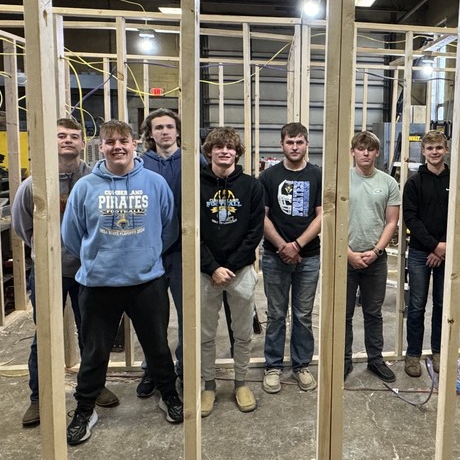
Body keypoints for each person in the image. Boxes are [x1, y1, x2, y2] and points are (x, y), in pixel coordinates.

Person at [61, 120, 182, 445]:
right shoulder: (86, 187)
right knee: (95, 351)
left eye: (123, 141)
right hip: (99, 284)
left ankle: (169, 395)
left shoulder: (154, 184)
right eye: (110, 141)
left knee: (157, 345)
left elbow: (168, 226)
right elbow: (71, 236)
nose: (117, 147)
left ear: (134, 144)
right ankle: (85, 409)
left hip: (147, 282)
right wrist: (99, 258)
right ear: (100, 147)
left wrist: (147, 254)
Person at [14, 117, 119, 426]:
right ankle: (39, 397)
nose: (68, 141)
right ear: (52, 142)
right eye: (61, 136)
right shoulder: (34, 184)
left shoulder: (96, 179)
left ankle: (93, 387)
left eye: (74, 136)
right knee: (44, 336)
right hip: (49, 272)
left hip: (89, 271)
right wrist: (48, 254)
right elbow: (23, 228)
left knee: (92, 333)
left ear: (83, 144)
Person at [199, 127, 265, 417]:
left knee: (242, 334)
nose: (224, 151)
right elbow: (190, 230)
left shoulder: (251, 186)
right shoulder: (195, 184)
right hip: (204, 272)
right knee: (205, 334)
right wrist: (212, 267)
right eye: (219, 147)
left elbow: (254, 231)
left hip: (240, 272)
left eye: (230, 148)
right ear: (209, 151)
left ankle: (241, 383)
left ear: (237, 153)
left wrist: (232, 266)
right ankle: (208, 386)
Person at [260, 122, 323, 394]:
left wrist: (296, 245)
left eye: (299, 142)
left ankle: (301, 366)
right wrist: (283, 246)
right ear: (281, 144)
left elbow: (323, 215)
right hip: (274, 256)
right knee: (275, 314)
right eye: (290, 142)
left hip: (308, 256)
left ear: (306, 144)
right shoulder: (268, 177)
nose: (295, 147)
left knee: (303, 315)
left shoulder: (317, 175)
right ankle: (273, 366)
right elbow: (260, 216)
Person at [345, 131, 401, 382]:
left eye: (370, 149)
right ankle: (343, 360)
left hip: (375, 260)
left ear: (377, 152)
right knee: (343, 313)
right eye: (360, 148)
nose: (365, 153)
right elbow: (329, 219)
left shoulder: (389, 183)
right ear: (353, 152)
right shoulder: (340, 179)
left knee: (373, 312)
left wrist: (377, 251)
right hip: (344, 259)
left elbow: (392, 222)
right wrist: (347, 253)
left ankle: (375, 360)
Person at [136, 108, 183, 397]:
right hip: (150, 253)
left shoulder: (195, 162)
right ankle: (153, 369)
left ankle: (185, 369)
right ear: (150, 134)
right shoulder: (140, 165)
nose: (164, 132)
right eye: (158, 127)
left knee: (188, 315)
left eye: (169, 126)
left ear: (177, 131)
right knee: (152, 318)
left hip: (183, 253)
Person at [402, 130, 451, 377]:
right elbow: (411, 217)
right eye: (430, 148)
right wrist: (434, 246)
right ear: (423, 151)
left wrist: (443, 247)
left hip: (446, 252)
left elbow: (459, 216)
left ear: (446, 149)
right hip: (421, 253)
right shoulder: (414, 183)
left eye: (439, 148)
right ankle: (413, 355)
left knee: (443, 305)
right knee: (416, 306)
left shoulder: (454, 179)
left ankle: (438, 351)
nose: (434, 152)